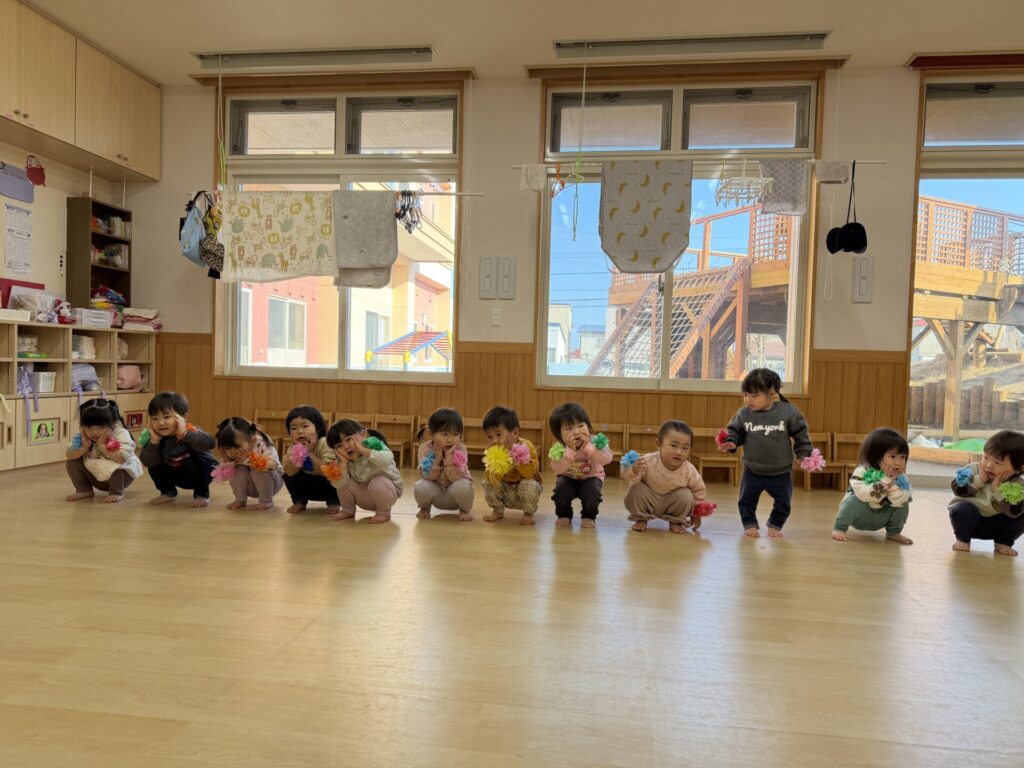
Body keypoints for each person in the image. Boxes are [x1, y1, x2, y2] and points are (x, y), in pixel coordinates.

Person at [719, 368, 812, 538]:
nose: (748, 400)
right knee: (746, 500)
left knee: (784, 502)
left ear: (772, 393)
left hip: (781, 471)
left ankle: (775, 523)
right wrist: (732, 442)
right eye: (745, 395)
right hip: (752, 470)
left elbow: (801, 434)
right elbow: (735, 432)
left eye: (754, 396)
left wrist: (803, 454)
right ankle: (749, 523)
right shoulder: (744, 413)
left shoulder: (787, 411)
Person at [949, 429, 1024, 557]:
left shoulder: (1018, 485)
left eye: (997, 462)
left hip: (997, 525)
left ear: (1019, 468)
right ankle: (963, 539)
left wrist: (998, 492)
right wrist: (979, 480)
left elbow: (1014, 511)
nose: (988, 465)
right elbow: (957, 489)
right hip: (970, 522)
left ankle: (1003, 542)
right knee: (962, 509)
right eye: (986, 457)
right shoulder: (973, 469)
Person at [623, 420, 707, 534]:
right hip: (648, 500)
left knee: (686, 495)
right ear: (659, 445)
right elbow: (630, 478)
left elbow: (699, 490)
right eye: (673, 445)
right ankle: (641, 518)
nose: (679, 452)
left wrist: (697, 513)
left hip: (673, 503)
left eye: (685, 448)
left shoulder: (689, 470)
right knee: (636, 489)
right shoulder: (648, 460)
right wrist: (633, 470)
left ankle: (676, 522)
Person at [832, 428, 913, 544]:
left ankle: (894, 532)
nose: (898, 462)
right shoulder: (862, 471)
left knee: (904, 501)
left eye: (902, 457)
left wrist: (893, 484)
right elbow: (866, 496)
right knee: (853, 501)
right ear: (876, 456)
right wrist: (886, 480)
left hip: (882, 516)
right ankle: (840, 528)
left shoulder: (901, 477)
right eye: (893, 456)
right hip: (861, 515)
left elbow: (899, 500)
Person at [139, 391, 217, 508]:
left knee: (193, 461)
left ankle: (202, 494)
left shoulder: (190, 431)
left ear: (183, 418)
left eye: (166, 417)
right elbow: (147, 462)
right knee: (154, 464)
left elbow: (210, 443)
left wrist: (185, 434)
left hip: (203, 474)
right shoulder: (157, 437)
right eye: (155, 418)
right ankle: (168, 492)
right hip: (178, 475)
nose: (160, 423)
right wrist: (154, 443)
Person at [325, 418, 402, 524]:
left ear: (363, 435)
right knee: (343, 481)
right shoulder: (341, 460)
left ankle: (384, 513)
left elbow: (387, 459)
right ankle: (348, 510)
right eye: (339, 446)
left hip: (387, 493)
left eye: (348, 439)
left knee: (378, 482)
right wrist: (343, 463)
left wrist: (363, 450)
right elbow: (337, 484)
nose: (345, 446)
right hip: (363, 497)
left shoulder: (374, 445)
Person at [548, 402, 612, 528]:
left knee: (592, 492)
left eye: (581, 425)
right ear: (559, 434)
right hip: (568, 478)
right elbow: (557, 469)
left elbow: (607, 459)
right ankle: (564, 514)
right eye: (569, 428)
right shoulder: (560, 447)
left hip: (591, 477)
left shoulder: (596, 442)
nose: (576, 432)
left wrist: (589, 447)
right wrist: (570, 451)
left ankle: (588, 515)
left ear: (588, 425)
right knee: (560, 490)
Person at [65, 398, 143, 503]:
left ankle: (116, 492)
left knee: (117, 465)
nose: (95, 432)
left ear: (113, 423)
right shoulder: (83, 436)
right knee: (72, 462)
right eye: (89, 427)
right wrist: (83, 449)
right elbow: (69, 455)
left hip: (121, 478)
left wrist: (103, 447)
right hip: (96, 476)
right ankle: (84, 490)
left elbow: (121, 459)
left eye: (101, 427)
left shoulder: (120, 433)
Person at [480, 405, 542, 526]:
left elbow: (529, 474)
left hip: (523, 490)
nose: (494, 440)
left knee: (529, 484)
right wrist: (500, 460)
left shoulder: (527, 446)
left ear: (515, 433)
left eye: (498, 434)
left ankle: (528, 513)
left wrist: (512, 455)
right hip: (505, 491)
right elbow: (490, 478)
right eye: (490, 436)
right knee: (487, 482)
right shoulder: (493, 450)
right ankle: (498, 510)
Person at [414, 407, 475, 521]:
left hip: (454, 493)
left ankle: (464, 509)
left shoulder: (460, 449)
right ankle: (425, 508)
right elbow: (425, 475)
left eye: (455, 434)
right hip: (436, 493)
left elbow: (456, 478)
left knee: (464, 486)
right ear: (431, 433)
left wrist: (448, 463)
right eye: (445, 434)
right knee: (420, 486)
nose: (450, 440)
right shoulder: (425, 448)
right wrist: (437, 461)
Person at [214, 416, 284, 510]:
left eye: (236, 447)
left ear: (252, 441)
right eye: (227, 448)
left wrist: (248, 460)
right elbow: (226, 475)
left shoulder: (262, 444)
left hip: (272, 484)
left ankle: (266, 500)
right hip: (251, 487)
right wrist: (226, 459)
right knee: (236, 470)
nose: (232, 452)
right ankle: (240, 500)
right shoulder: (230, 452)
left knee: (258, 469)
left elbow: (272, 465)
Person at [282, 405, 340, 515]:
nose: (299, 431)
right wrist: (298, 453)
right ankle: (299, 501)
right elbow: (290, 472)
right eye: (293, 428)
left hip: (326, 486)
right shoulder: (293, 447)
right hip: (308, 487)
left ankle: (334, 502)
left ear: (318, 428)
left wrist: (310, 454)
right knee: (287, 472)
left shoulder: (325, 443)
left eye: (305, 426)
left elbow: (327, 470)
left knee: (335, 474)